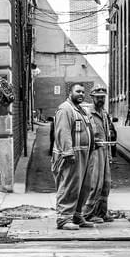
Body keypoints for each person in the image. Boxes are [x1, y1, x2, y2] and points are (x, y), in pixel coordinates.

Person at [52, 83, 94, 230]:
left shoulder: (80, 110)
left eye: (83, 92)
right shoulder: (65, 109)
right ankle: (64, 218)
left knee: (83, 187)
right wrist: (67, 152)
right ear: (70, 93)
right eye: (78, 91)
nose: (81, 94)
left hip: (83, 155)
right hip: (70, 155)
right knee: (69, 186)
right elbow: (62, 132)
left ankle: (77, 215)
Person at [82, 86, 116, 223]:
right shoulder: (88, 113)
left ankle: (102, 212)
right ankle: (88, 214)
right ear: (92, 97)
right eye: (98, 97)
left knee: (106, 183)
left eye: (103, 97)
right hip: (94, 152)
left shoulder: (104, 113)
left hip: (104, 151)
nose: (101, 99)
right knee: (95, 183)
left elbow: (107, 134)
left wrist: (109, 155)